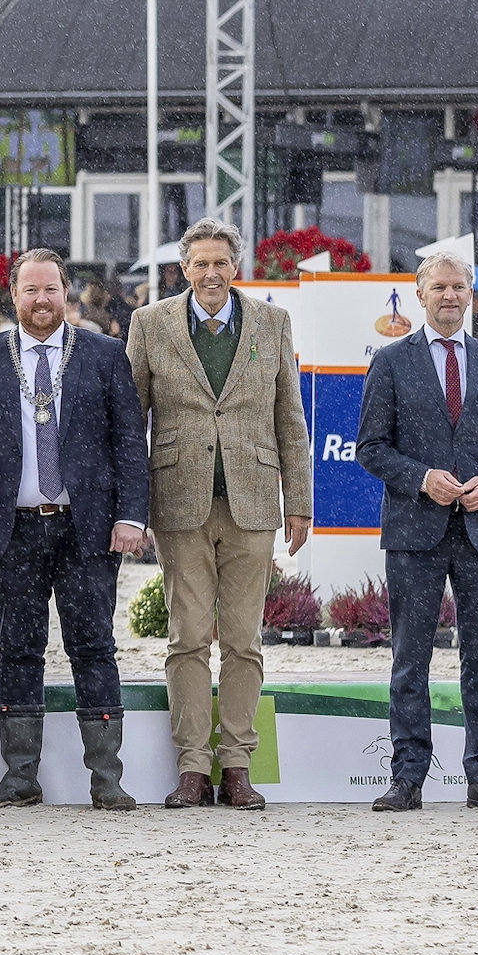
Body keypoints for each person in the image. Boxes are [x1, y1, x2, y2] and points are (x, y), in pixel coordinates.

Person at [0, 248, 149, 811]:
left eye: (51, 289)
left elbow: (130, 442)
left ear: (67, 293)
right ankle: (19, 777)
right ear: (13, 296)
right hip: (9, 532)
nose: (41, 300)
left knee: (94, 646)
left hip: (88, 530)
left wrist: (132, 516)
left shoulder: (106, 355)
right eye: (30, 290)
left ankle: (107, 778)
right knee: (17, 648)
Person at [126, 218, 313, 810]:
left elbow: (291, 419)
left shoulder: (272, 322)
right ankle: (190, 768)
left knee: (243, 640)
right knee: (185, 640)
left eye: (221, 263)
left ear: (237, 267)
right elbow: (132, 424)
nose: (211, 274)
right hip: (177, 502)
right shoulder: (149, 324)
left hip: (254, 502)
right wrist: (132, 508)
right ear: (183, 269)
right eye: (200, 264)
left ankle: (236, 765)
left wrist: (299, 504)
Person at [355, 249, 478, 814]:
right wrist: (421, 478)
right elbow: (370, 449)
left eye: (460, 287)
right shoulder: (389, 363)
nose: (451, 296)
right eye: (440, 288)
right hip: (415, 530)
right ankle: (408, 775)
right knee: (411, 658)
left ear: (471, 296)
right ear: (421, 296)